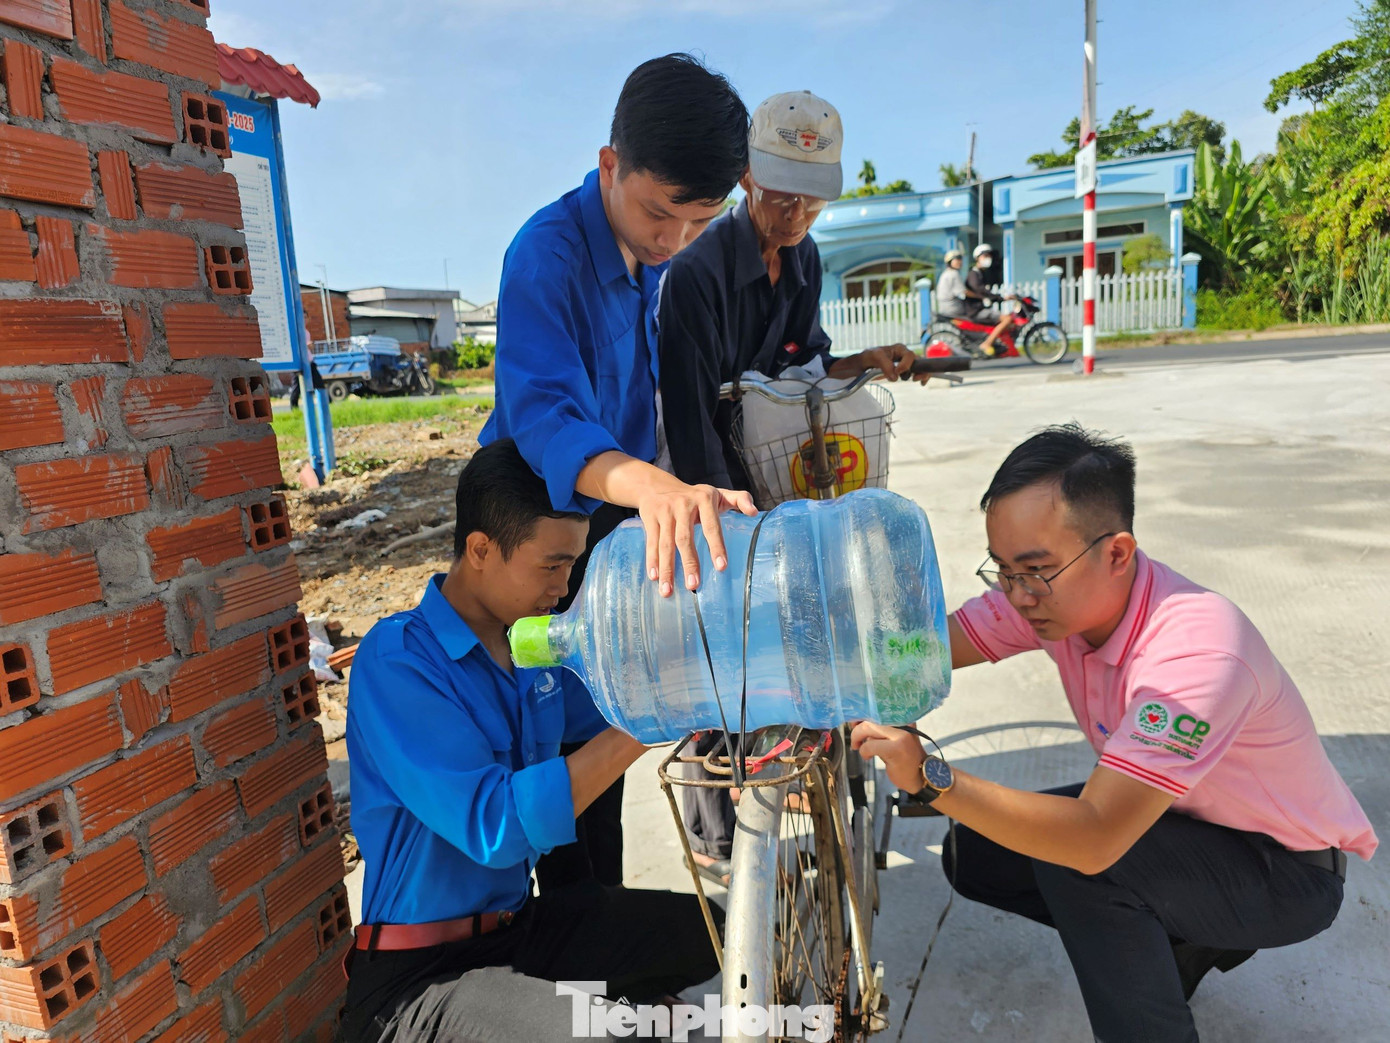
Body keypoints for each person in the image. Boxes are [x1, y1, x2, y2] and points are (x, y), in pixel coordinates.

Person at [852, 423, 1376, 1042]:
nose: (1017, 596)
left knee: (1085, 866)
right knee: (981, 855)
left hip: (1285, 871)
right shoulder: (1060, 598)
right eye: (1002, 571)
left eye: (1034, 570)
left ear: (1117, 553)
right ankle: (1179, 936)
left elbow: (1095, 838)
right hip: (1187, 822)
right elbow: (926, 651)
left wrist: (930, 778)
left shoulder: (1195, 658)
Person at [479, 54, 756, 889]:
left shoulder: (653, 265)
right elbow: (546, 418)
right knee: (556, 754)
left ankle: (599, 937)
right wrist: (651, 489)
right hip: (533, 527)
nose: (673, 238)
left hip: (606, 524)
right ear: (610, 165)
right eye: (658, 212)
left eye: (699, 222)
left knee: (605, 734)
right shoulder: (545, 257)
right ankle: (573, 958)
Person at [341, 440, 721, 1042]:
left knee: (711, 931)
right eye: (552, 565)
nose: (564, 586)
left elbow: (609, 705)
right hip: (419, 979)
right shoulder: (398, 661)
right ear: (481, 550)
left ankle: (568, 1005)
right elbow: (497, 828)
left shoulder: (532, 650)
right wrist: (646, 720)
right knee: (613, 1033)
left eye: (572, 564)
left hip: (518, 934)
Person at [657, 90, 929, 884]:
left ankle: (802, 755)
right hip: (709, 472)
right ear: (746, 180)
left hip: (776, 469)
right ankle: (716, 837)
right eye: (780, 193)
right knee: (721, 638)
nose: (796, 212)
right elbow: (686, 411)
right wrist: (717, 509)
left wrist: (863, 361)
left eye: (811, 196)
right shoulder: (697, 272)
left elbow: (804, 364)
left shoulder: (803, 258)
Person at [963, 243, 1014, 356]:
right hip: (975, 311)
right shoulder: (974, 274)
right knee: (1007, 319)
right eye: (985, 256)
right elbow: (981, 290)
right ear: (977, 258)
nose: (988, 258)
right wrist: (1001, 298)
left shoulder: (982, 273)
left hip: (980, 308)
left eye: (989, 256)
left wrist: (1000, 298)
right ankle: (987, 343)